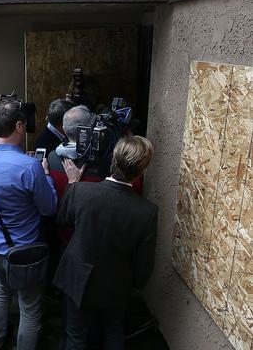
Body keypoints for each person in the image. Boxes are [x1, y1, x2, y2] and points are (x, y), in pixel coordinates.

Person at [55, 136, 158, 350]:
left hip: (78, 277)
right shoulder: (147, 212)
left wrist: (72, 184)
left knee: (75, 336)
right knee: (113, 333)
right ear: (142, 171)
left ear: (113, 159)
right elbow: (143, 265)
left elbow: (62, 219)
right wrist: (135, 284)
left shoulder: (81, 192)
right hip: (116, 284)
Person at [0, 101, 57, 350]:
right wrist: (45, 174)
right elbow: (49, 208)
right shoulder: (31, 166)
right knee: (30, 308)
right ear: (19, 126)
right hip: (25, 251)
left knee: (2, 292)